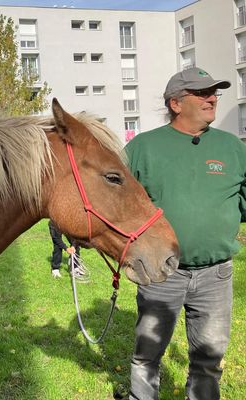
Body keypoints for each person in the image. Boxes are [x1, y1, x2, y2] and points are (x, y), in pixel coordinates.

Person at [124, 67, 246, 400]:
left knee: (208, 358)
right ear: (176, 103)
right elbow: (117, 203)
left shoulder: (232, 147)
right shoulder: (142, 148)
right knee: (147, 355)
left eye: (214, 93)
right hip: (160, 271)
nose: (212, 99)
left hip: (215, 274)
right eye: (202, 93)